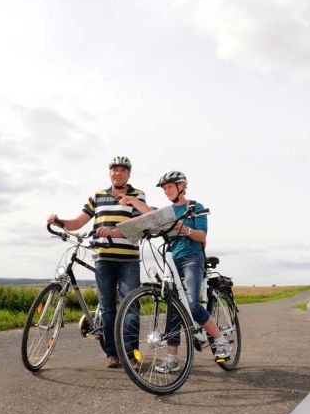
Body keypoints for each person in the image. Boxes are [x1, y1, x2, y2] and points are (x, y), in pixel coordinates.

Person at [122, 170, 231, 372]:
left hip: (192, 258)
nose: (167, 191)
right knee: (173, 307)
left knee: (192, 305)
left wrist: (185, 229)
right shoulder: (167, 213)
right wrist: (132, 200)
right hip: (172, 260)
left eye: (170, 187)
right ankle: (172, 359)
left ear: (182, 186)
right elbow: (149, 213)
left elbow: (201, 236)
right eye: (164, 188)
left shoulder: (194, 207)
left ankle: (220, 340)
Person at [47, 156, 144, 369]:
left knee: (130, 307)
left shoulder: (137, 195)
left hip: (128, 260)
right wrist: (59, 221)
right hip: (103, 259)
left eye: (122, 170)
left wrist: (113, 231)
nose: (118, 173)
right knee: (108, 308)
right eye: (114, 169)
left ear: (129, 174)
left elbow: (139, 225)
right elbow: (78, 222)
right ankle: (112, 354)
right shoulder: (98, 196)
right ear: (110, 173)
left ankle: (132, 355)